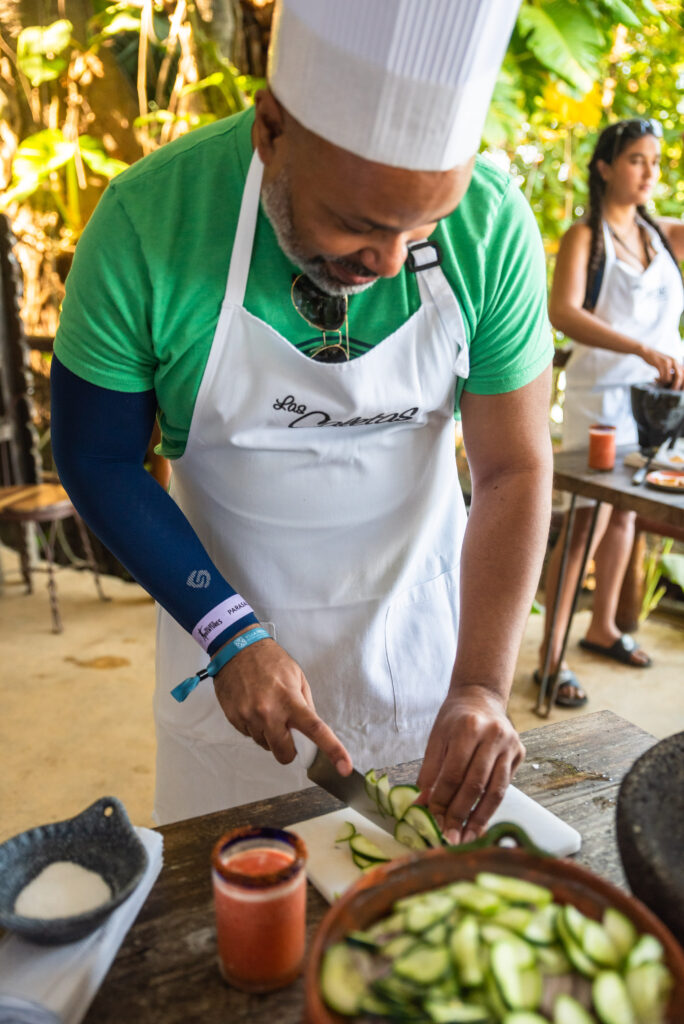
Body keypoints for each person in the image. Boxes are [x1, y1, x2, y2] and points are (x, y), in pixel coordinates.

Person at [51, 0, 554, 838]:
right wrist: (228, 630)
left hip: (426, 657)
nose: (389, 262)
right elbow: (97, 458)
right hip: (222, 647)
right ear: (272, 129)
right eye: (359, 224)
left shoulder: (493, 222)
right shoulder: (150, 222)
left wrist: (481, 686)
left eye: (423, 224)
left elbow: (514, 466)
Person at [538, 118, 684, 708]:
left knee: (626, 516)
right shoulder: (586, 238)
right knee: (585, 523)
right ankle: (549, 658)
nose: (649, 171)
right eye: (635, 160)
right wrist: (641, 348)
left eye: (655, 160)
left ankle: (602, 629)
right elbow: (564, 313)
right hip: (603, 400)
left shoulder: (665, 235)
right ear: (605, 167)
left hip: (661, 406)